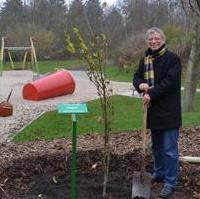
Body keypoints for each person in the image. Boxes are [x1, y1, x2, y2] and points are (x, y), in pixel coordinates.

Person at [133, 27, 182, 198]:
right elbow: (137, 77)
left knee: (169, 149)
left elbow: (170, 83)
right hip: (153, 112)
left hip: (169, 112)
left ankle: (170, 181)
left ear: (163, 39)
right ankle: (159, 172)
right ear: (147, 41)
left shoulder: (173, 59)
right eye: (150, 39)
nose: (153, 41)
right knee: (157, 147)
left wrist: (151, 94)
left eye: (157, 38)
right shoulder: (145, 59)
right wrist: (140, 85)